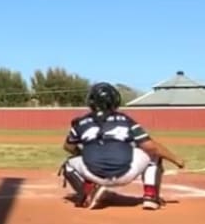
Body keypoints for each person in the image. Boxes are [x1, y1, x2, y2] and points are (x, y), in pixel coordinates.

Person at [60, 82, 187, 211]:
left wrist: (84, 153)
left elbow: (68, 147)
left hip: (94, 174)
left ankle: (87, 192)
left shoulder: (81, 122)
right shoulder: (124, 119)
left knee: (68, 164)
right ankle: (150, 197)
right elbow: (150, 147)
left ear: (91, 101)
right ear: (115, 99)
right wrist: (176, 160)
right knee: (154, 152)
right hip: (125, 173)